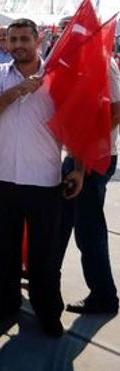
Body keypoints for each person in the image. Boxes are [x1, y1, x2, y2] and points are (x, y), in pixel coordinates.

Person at [0, 18, 84, 337]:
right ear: (5, 43)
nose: (19, 44)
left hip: (45, 181)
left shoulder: (57, 79)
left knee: (44, 255)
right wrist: (19, 89)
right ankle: (5, 304)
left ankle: (47, 310)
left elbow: (74, 126)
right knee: (5, 249)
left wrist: (78, 167)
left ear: (38, 40)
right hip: (5, 179)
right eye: (13, 39)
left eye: (25, 38)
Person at [61, 55, 120, 315]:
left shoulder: (102, 62)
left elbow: (116, 110)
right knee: (71, 224)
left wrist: (86, 149)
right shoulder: (85, 61)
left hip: (93, 157)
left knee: (89, 229)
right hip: (79, 155)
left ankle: (103, 295)